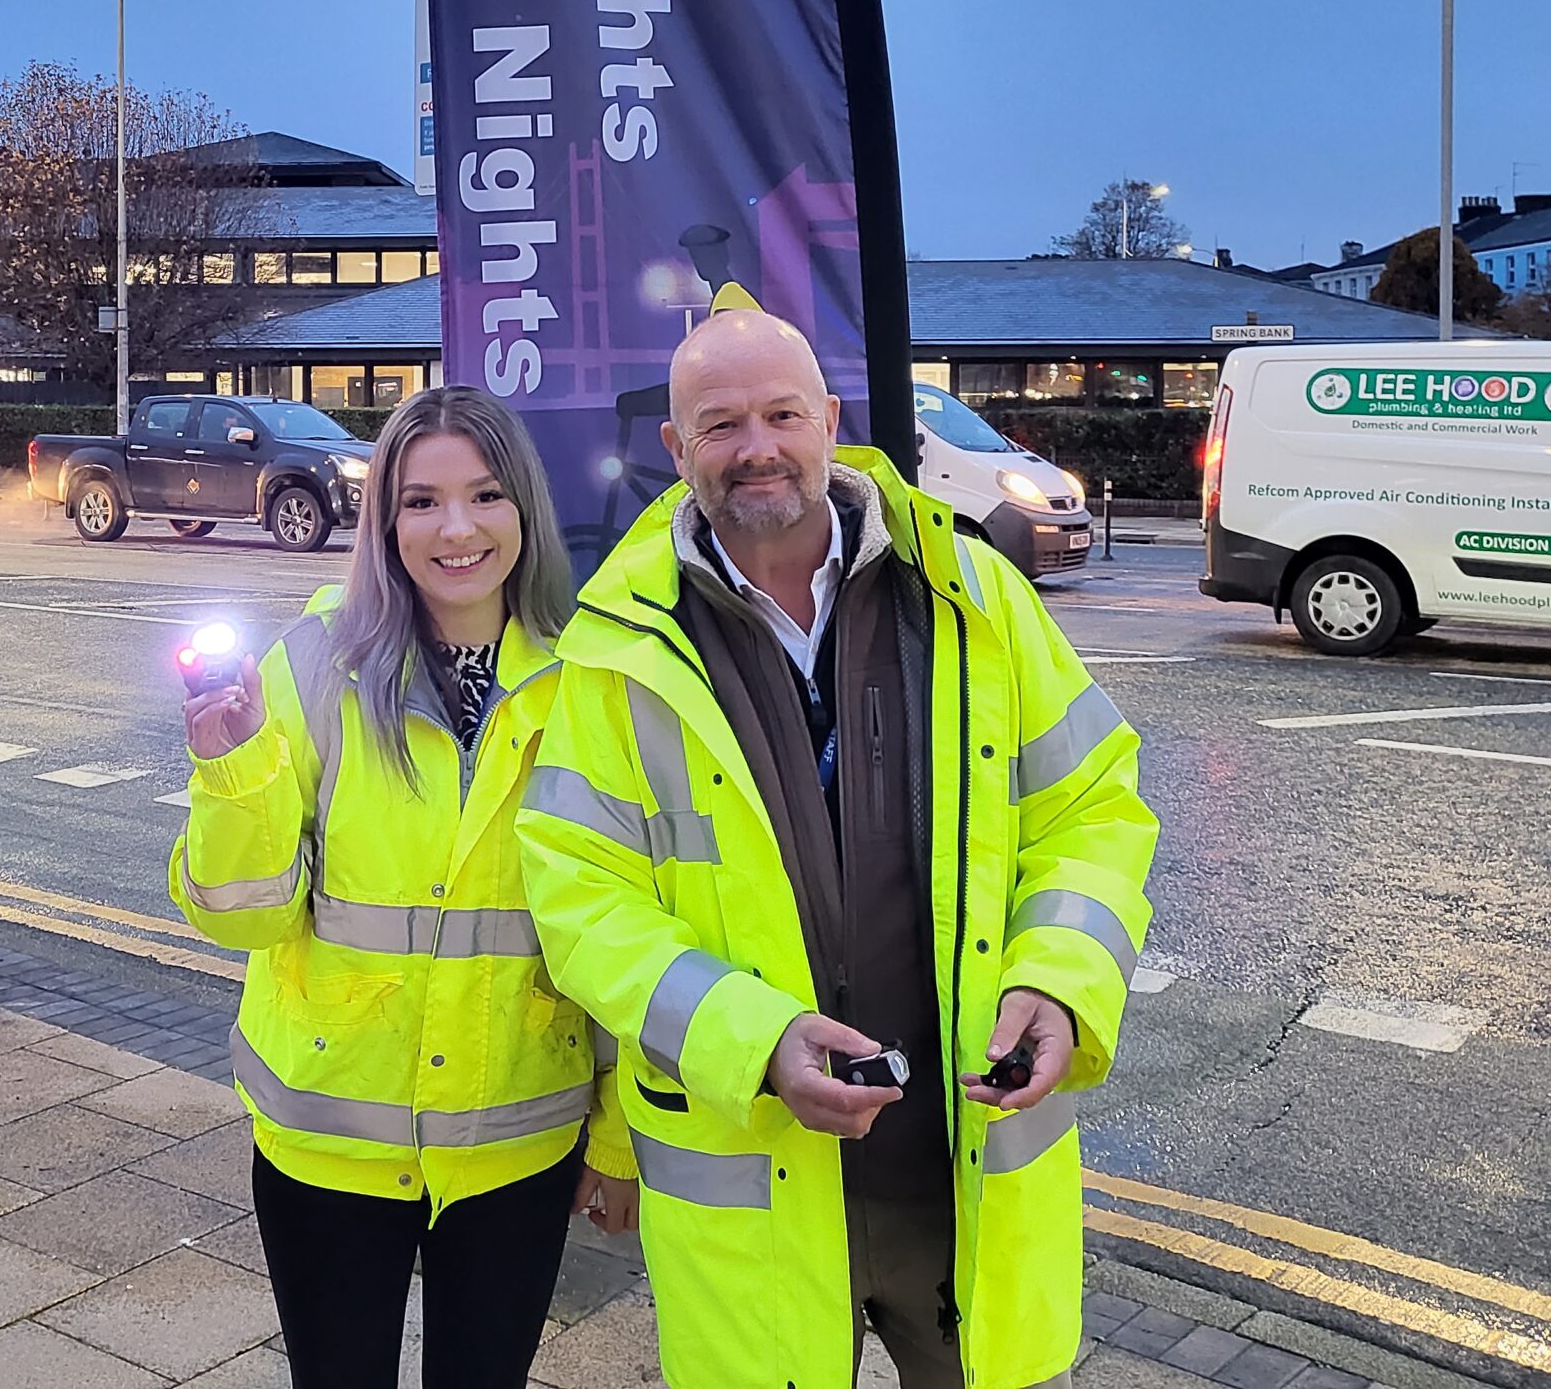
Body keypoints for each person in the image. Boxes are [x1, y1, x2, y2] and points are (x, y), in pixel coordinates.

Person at [518, 311, 1158, 1389]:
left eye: (780, 415)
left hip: (956, 1162)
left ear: (829, 420)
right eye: (719, 424)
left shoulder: (970, 596)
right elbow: (583, 899)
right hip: (753, 1165)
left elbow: (1090, 806)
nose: (755, 446)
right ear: (675, 452)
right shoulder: (614, 648)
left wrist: (1058, 980)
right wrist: (751, 1039)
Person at [172, 385, 637, 1389]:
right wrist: (234, 769)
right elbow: (244, 917)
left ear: (525, 508)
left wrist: (618, 1136)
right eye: (420, 501)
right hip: (329, 1138)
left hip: (513, 1142)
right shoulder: (307, 666)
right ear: (383, 520)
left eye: (483, 495)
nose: (455, 528)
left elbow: (620, 929)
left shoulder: (593, 685)